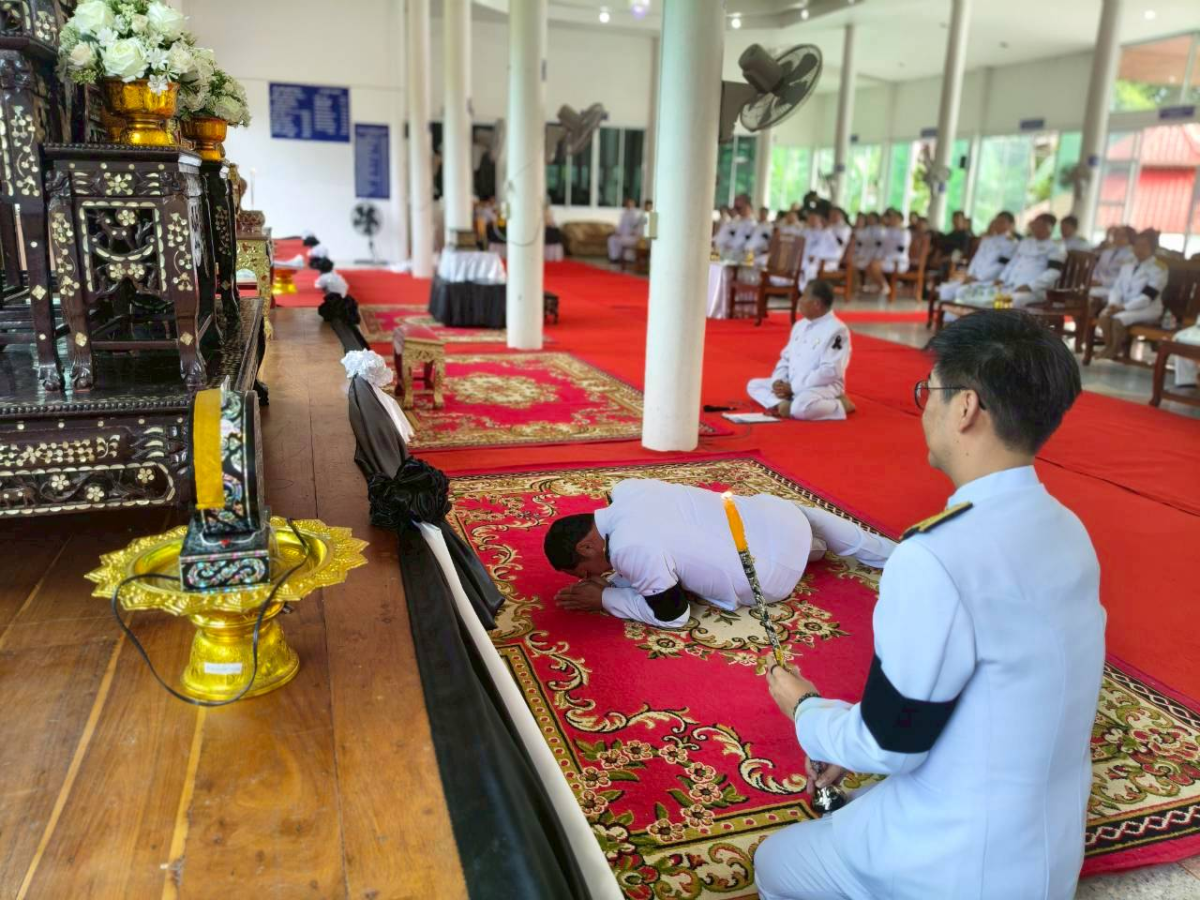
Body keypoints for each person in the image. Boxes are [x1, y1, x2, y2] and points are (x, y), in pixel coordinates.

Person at [756, 309, 1103, 900]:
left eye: (928, 392)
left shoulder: (936, 554)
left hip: (958, 867)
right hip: (1047, 849)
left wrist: (807, 711)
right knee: (860, 804)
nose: (925, 409)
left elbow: (890, 743)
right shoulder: (1069, 528)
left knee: (775, 862)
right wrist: (848, 736)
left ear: (965, 407)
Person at [544, 479, 895, 629]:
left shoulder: (628, 548)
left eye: (586, 571)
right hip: (783, 521)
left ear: (586, 547)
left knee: (782, 544)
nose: (598, 576)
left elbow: (673, 614)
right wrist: (616, 582)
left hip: (767, 577)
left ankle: (815, 551)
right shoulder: (628, 489)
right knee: (791, 515)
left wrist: (605, 598)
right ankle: (891, 553)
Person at [747, 280, 855, 421]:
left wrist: (794, 387)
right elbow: (785, 359)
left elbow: (830, 371)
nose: (799, 300)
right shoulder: (800, 325)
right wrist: (779, 381)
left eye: (803, 296)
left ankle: (840, 405)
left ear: (816, 304)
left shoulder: (837, 330)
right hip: (791, 385)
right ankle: (782, 404)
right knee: (753, 385)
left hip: (820, 386)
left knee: (801, 407)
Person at [956, 212, 1064, 309]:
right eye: (1035, 224)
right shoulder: (1025, 243)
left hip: (1032, 292)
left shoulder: (1056, 247)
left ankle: (992, 324)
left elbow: (1054, 272)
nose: (1035, 227)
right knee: (969, 293)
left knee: (999, 303)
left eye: (1040, 225)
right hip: (1009, 286)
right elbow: (1012, 263)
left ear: (1050, 227)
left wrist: (1030, 286)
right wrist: (1002, 278)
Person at [1094, 229, 1169, 361]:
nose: (1139, 249)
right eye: (1137, 245)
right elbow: (1117, 288)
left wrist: (1123, 308)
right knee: (1104, 315)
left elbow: (1147, 297)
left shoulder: (1159, 268)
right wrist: (1113, 304)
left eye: (1144, 246)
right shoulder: (1128, 263)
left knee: (1118, 319)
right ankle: (1109, 346)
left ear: (1152, 248)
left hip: (1147, 309)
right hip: (1122, 305)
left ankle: (1114, 349)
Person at [936, 212, 1018, 303]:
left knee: (962, 292)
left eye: (1002, 222)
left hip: (988, 281)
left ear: (1010, 225)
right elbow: (975, 260)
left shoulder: (1011, 245)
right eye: (997, 221)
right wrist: (970, 275)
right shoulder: (987, 240)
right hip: (972, 278)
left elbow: (1000, 266)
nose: (998, 224)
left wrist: (978, 278)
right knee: (946, 289)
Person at [863, 209, 910, 294]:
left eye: (894, 218)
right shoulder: (888, 231)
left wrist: (885, 258)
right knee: (869, 265)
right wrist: (877, 257)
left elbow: (900, 250)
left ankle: (884, 286)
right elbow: (882, 247)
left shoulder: (904, 232)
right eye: (891, 218)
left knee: (875, 265)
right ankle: (879, 285)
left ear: (900, 220)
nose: (892, 220)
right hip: (886, 260)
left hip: (898, 261)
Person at [1090, 225, 1136, 296]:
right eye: (1116, 234)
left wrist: (1101, 283)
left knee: (1090, 293)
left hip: (1115, 288)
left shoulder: (1132, 256)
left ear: (1131, 238)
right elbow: (1096, 270)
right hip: (1097, 284)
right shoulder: (1106, 252)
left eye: (1123, 235)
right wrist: (1093, 279)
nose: (1118, 237)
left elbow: (1124, 278)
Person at [608, 198, 646, 263]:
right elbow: (620, 226)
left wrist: (635, 233)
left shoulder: (636, 214)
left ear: (633, 204)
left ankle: (627, 258)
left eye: (631, 204)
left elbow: (637, 226)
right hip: (623, 235)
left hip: (632, 237)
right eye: (628, 204)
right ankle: (614, 258)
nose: (629, 205)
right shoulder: (624, 214)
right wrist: (617, 233)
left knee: (620, 241)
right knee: (611, 239)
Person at [852, 212, 881, 283]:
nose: (858, 222)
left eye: (860, 220)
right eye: (857, 220)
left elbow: (873, 246)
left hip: (869, 257)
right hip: (859, 255)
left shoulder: (875, 231)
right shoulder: (858, 230)